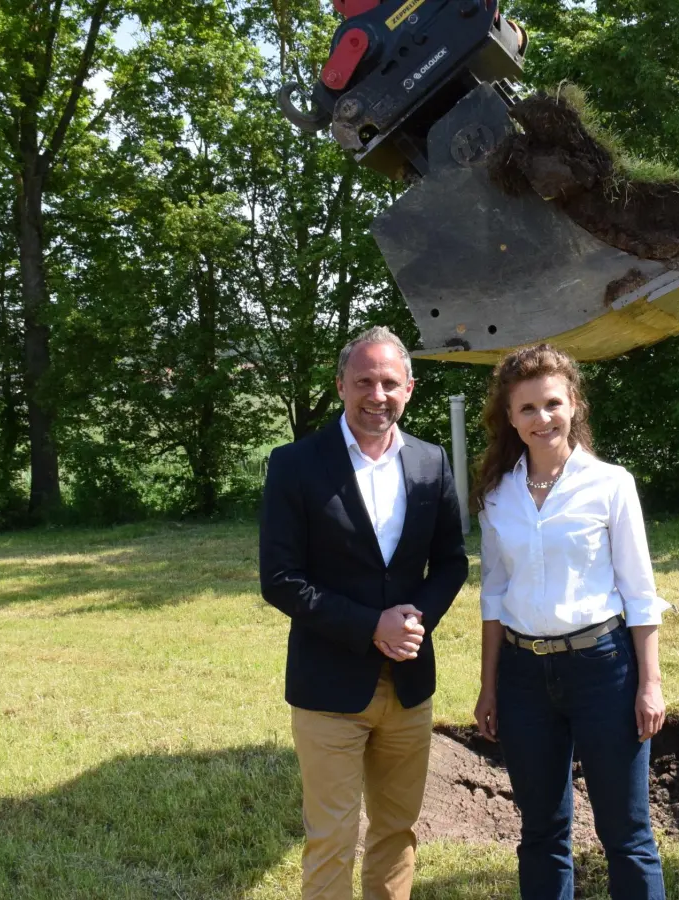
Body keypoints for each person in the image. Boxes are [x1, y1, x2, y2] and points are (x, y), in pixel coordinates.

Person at [259, 325, 469, 900]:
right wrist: (368, 625)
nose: (377, 395)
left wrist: (412, 622)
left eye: (389, 383)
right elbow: (279, 580)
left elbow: (451, 563)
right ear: (341, 386)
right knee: (330, 836)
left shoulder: (431, 461)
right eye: (364, 382)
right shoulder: (296, 464)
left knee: (397, 832)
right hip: (328, 686)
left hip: (408, 685)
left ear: (410, 389)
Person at [470, 344, 669, 900]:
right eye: (527, 408)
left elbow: (640, 592)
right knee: (541, 834)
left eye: (552, 403)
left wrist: (650, 684)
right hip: (522, 676)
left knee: (626, 834)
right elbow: (494, 593)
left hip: (603, 671)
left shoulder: (610, 484)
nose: (542, 418)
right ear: (510, 417)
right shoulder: (497, 495)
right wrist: (489, 687)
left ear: (574, 404)